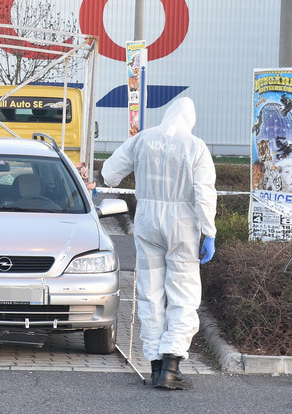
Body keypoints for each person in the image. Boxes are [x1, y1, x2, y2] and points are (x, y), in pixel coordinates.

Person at [101, 97, 217, 389]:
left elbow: (109, 174)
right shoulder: (195, 146)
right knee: (183, 292)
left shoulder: (143, 139)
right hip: (182, 224)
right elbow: (204, 193)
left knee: (150, 292)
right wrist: (209, 231)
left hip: (147, 219)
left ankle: (154, 365)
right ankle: (171, 366)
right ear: (190, 119)